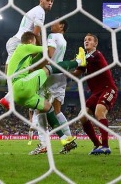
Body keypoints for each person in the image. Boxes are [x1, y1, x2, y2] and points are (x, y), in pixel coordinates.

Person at [0, 31, 86, 148]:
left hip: (19, 97)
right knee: (49, 68)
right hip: (22, 85)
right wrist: (51, 41)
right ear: (29, 41)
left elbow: (35, 63)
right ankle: (79, 60)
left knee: (48, 107)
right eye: (34, 43)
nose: (35, 45)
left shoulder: (24, 58)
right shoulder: (24, 47)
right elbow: (47, 50)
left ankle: (64, 139)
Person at [29, 19, 77, 155]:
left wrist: (35, 68)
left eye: (55, 23)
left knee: (40, 111)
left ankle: (44, 144)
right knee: (56, 111)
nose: (51, 24)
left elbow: (49, 56)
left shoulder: (52, 36)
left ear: (61, 26)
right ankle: (69, 140)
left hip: (49, 76)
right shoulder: (63, 40)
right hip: (60, 77)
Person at [73, 33, 118, 155]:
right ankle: (96, 145)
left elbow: (80, 62)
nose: (86, 41)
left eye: (89, 40)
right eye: (85, 40)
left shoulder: (96, 55)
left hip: (108, 89)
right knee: (82, 116)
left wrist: (69, 62)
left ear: (95, 43)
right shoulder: (85, 59)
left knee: (99, 112)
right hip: (95, 93)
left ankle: (105, 146)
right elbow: (76, 73)